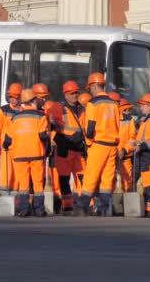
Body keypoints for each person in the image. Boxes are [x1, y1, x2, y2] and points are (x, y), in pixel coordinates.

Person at [74, 73, 120, 217]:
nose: (90, 91)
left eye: (90, 88)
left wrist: (88, 142)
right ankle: (103, 208)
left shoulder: (92, 103)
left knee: (91, 176)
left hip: (98, 144)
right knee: (107, 178)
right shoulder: (113, 104)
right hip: (112, 145)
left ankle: (83, 206)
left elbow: (90, 129)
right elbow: (118, 125)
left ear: (94, 86)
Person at [3, 89, 50, 217]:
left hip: (19, 155)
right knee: (38, 184)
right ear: (33, 100)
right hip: (36, 154)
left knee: (23, 184)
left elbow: (8, 138)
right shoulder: (40, 116)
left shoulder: (15, 117)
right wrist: (49, 138)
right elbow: (42, 136)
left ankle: (24, 210)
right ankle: (39, 210)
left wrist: (5, 145)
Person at [53, 81, 86, 215]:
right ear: (65, 94)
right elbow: (48, 123)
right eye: (71, 93)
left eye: (76, 93)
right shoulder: (58, 108)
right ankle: (67, 206)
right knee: (64, 178)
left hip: (79, 149)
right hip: (64, 148)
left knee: (83, 177)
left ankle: (84, 204)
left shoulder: (83, 109)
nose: (74, 95)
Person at [128, 93, 150, 217]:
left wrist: (140, 147)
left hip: (149, 155)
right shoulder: (146, 121)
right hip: (145, 156)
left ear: (149, 106)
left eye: (142, 105)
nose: (141, 107)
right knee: (147, 183)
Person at [0, 83, 22, 192]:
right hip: (5, 147)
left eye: (15, 97)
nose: (13, 99)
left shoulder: (23, 111)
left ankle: (17, 195)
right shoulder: (2, 110)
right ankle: (4, 193)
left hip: (19, 147)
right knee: (6, 172)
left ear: (20, 97)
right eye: (11, 97)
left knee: (18, 172)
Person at [117, 98, 135, 192]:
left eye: (129, 110)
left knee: (127, 181)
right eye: (126, 110)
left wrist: (124, 150)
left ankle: (125, 201)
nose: (128, 112)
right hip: (113, 155)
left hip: (125, 156)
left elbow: (132, 139)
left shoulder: (130, 120)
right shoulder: (111, 118)